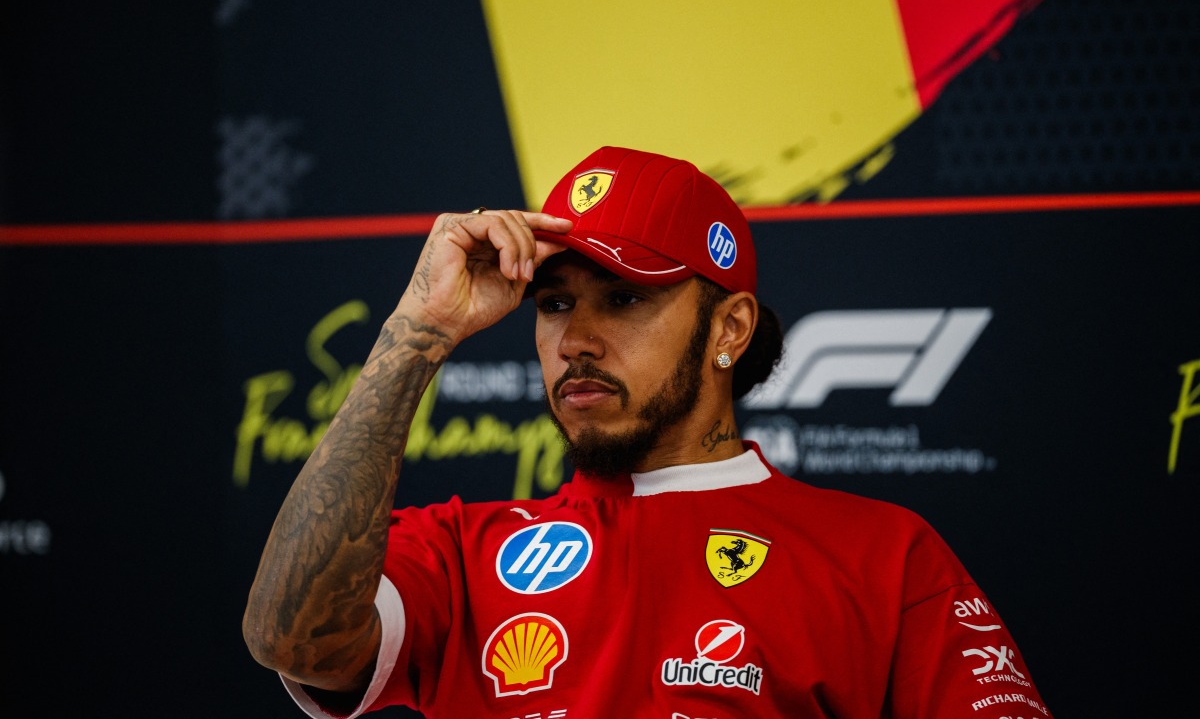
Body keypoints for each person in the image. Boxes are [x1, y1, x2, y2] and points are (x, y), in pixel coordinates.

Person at [244, 146, 1052, 718]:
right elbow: (292, 640)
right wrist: (417, 327)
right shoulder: (459, 552)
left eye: (624, 298)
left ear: (728, 328)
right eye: (555, 302)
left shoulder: (884, 556)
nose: (576, 338)